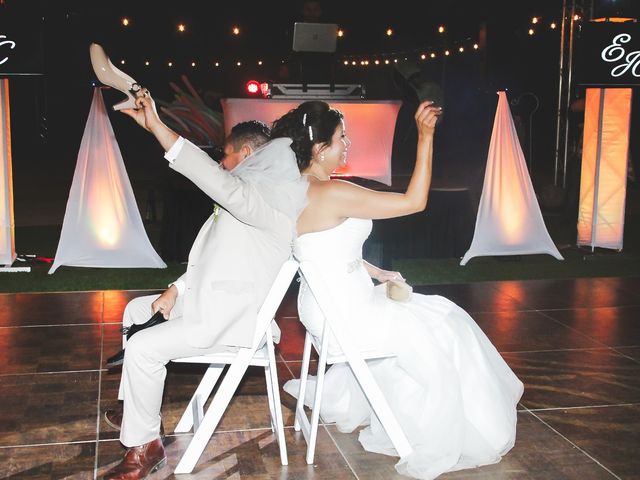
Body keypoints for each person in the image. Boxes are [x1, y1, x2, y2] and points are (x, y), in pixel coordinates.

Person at [270, 100, 524, 479]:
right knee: (446, 319)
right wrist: (425, 137)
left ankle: (405, 407)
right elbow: (414, 202)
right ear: (320, 149)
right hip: (346, 314)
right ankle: (457, 427)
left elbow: (318, 250)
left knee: (428, 312)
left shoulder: (292, 192)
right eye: (342, 139)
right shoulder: (334, 193)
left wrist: (375, 271)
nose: (347, 145)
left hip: (324, 307)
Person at [102, 91, 307, 480]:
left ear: (247, 154)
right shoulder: (251, 196)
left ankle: (145, 449)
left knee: (144, 348)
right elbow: (212, 260)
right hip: (211, 300)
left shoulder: (260, 201)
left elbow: (209, 177)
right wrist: (175, 289)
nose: (220, 164)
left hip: (231, 319)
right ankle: (139, 416)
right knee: (135, 312)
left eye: (225, 156)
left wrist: (158, 128)